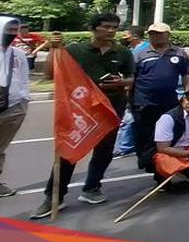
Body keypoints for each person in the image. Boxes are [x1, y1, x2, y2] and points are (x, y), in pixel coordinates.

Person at [32, 13, 134, 218]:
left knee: (104, 151)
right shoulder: (75, 50)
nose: (111, 31)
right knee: (69, 149)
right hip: (80, 108)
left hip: (111, 107)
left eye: (115, 27)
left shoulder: (123, 52)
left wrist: (121, 82)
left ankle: (92, 188)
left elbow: (132, 78)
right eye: (106, 26)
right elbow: (51, 73)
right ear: (93, 28)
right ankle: (54, 197)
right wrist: (54, 48)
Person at [130, 23, 189, 177]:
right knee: (145, 136)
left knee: (169, 136)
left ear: (168, 35)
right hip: (143, 102)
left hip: (169, 102)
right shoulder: (139, 54)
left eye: (159, 33)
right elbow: (131, 79)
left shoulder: (179, 53)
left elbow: (185, 75)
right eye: (152, 34)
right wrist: (128, 100)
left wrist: (187, 94)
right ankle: (150, 165)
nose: (156, 36)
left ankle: (169, 166)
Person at [0, 16, 31, 198]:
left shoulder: (18, 54)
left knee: (0, 147)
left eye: (14, 30)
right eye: (7, 30)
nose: (11, 34)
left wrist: (24, 99)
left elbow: (24, 78)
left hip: (13, 108)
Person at [113, 25, 149, 157]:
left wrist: (127, 89)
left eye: (125, 35)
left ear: (134, 37)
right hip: (133, 90)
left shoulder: (143, 50)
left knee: (128, 119)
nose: (123, 38)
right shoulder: (132, 50)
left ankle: (125, 146)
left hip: (139, 91)